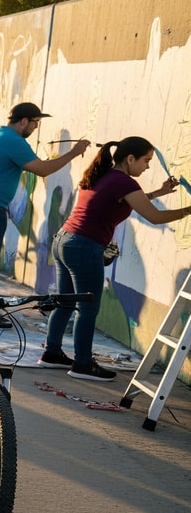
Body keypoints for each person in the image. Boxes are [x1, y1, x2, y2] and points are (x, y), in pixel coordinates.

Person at [40, 137, 191, 380]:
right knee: (87, 308)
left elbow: (126, 202)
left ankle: (52, 353)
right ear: (130, 159)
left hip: (64, 241)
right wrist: (187, 210)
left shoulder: (104, 174)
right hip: (83, 246)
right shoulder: (124, 182)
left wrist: (160, 192)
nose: (148, 167)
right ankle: (82, 364)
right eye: (146, 161)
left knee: (66, 302)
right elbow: (155, 217)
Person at [0, 102, 90, 322]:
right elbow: (42, 170)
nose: (35, 128)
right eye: (35, 123)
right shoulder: (14, 141)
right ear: (23, 121)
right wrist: (75, 153)